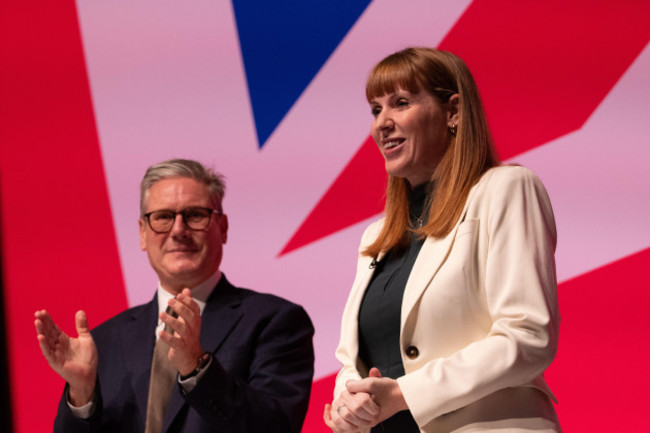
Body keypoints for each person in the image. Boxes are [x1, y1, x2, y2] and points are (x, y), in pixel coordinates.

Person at [323, 47, 561, 432]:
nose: (382, 123)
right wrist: (348, 402)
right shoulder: (376, 237)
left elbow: (527, 335)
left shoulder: (505, 189)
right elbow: (351, 360)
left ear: (452, 112)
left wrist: (403, 395)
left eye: (400, 103)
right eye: (375, 110)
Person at [35, 158, 314, 433]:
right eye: (163, 217)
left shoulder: (275, 321)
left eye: (195, 215)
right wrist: (82, 395)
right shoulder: (104, 341)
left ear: (223, 228)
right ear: (143, 234)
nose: (179, 230)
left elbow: (276, 427)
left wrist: (197, 368)